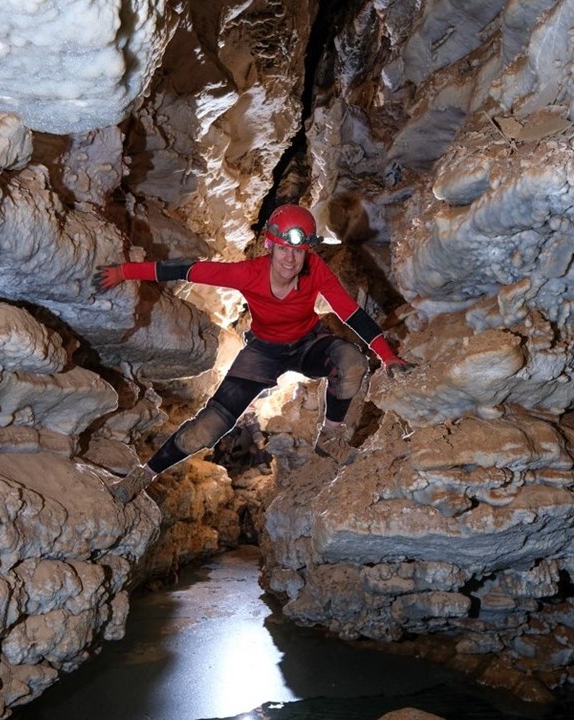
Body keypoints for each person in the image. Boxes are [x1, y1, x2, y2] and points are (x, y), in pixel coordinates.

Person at [93, 204, 414, 503]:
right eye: (284, 249)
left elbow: (351, 313)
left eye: (299, 251)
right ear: (270, 247)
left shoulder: (315, 270)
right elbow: (188, 270)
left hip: (308, 344)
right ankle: (143, 475)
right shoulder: (250, 274)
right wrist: (125, 272)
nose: (291, 259)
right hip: (263, 353)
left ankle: (330, 437)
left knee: (351, 362)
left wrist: (387, 355)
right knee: (208, 428)